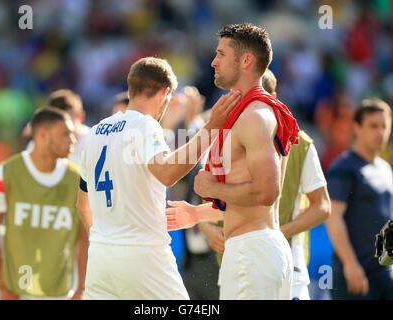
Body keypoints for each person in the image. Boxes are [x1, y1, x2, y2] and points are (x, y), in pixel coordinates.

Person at [76, 56, 241, 299]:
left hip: (101, 256)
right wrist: (211, 128)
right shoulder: (144, 125)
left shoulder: (95, 133)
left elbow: (82, 203)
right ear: (165, 93)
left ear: (132, 88)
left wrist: (105, 241)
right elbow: (167, 173)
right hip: (142, 253)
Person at [167, 23, 299, 300]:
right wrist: (196, 214)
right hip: (255, 250)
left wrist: (212, 189)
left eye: (221, 54)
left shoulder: (254, 115)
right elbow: (245, 199)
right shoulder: (247, 112)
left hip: (252, 253)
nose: (213, 62)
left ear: (247, 60)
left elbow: (266, 192)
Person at [195, 69, 331, 300]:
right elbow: (210, 206)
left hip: (283, 260)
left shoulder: (301, 142)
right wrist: (209, 229)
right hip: (241, 259)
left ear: (273, 97)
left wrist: (279, 231)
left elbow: (323, 206)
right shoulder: (225, 140)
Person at [0, 107, 88, 300]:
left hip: (60, 292)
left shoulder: (78, 178)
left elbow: (85, 238)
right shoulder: (5, 174)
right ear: (43, 135)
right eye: (65, 134)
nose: (72, 140)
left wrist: (81, 288)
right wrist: (3, 286)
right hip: (13, 290)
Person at [325, 98, 393, 299]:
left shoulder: (385, 168)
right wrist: (350, 264)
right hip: (356, 276)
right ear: (356, 128)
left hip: (384, 273)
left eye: (384, 126)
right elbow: (333, 217)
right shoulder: (345, 167)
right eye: (373, 126)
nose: (380, 132)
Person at [24, 89, 90, 167]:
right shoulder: (37, 145)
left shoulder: (94, 141)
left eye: (69, 121)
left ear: (81, 117)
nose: (71, 140)